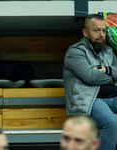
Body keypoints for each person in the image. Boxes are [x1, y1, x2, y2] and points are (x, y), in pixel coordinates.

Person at [63, 14, 117, 150]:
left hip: (113, 98)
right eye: (96, 30)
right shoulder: (75, 51)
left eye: (103, 31)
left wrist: (105, 70)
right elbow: (90, 77)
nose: (101, 34)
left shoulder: (108, 51)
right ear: (85, 32)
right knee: (111, 123)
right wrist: (112, 77)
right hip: (90, 101)